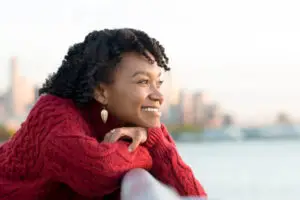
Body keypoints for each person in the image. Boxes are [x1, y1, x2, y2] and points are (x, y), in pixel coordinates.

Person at [0, 28, 207, 200]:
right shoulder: (54, 116)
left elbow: (194, 195)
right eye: (143, 81)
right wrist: (146, 150)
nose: (158, 96)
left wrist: (151, 137)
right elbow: (99, 170)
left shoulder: (140, 124)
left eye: (158, 83)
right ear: (101, 91)